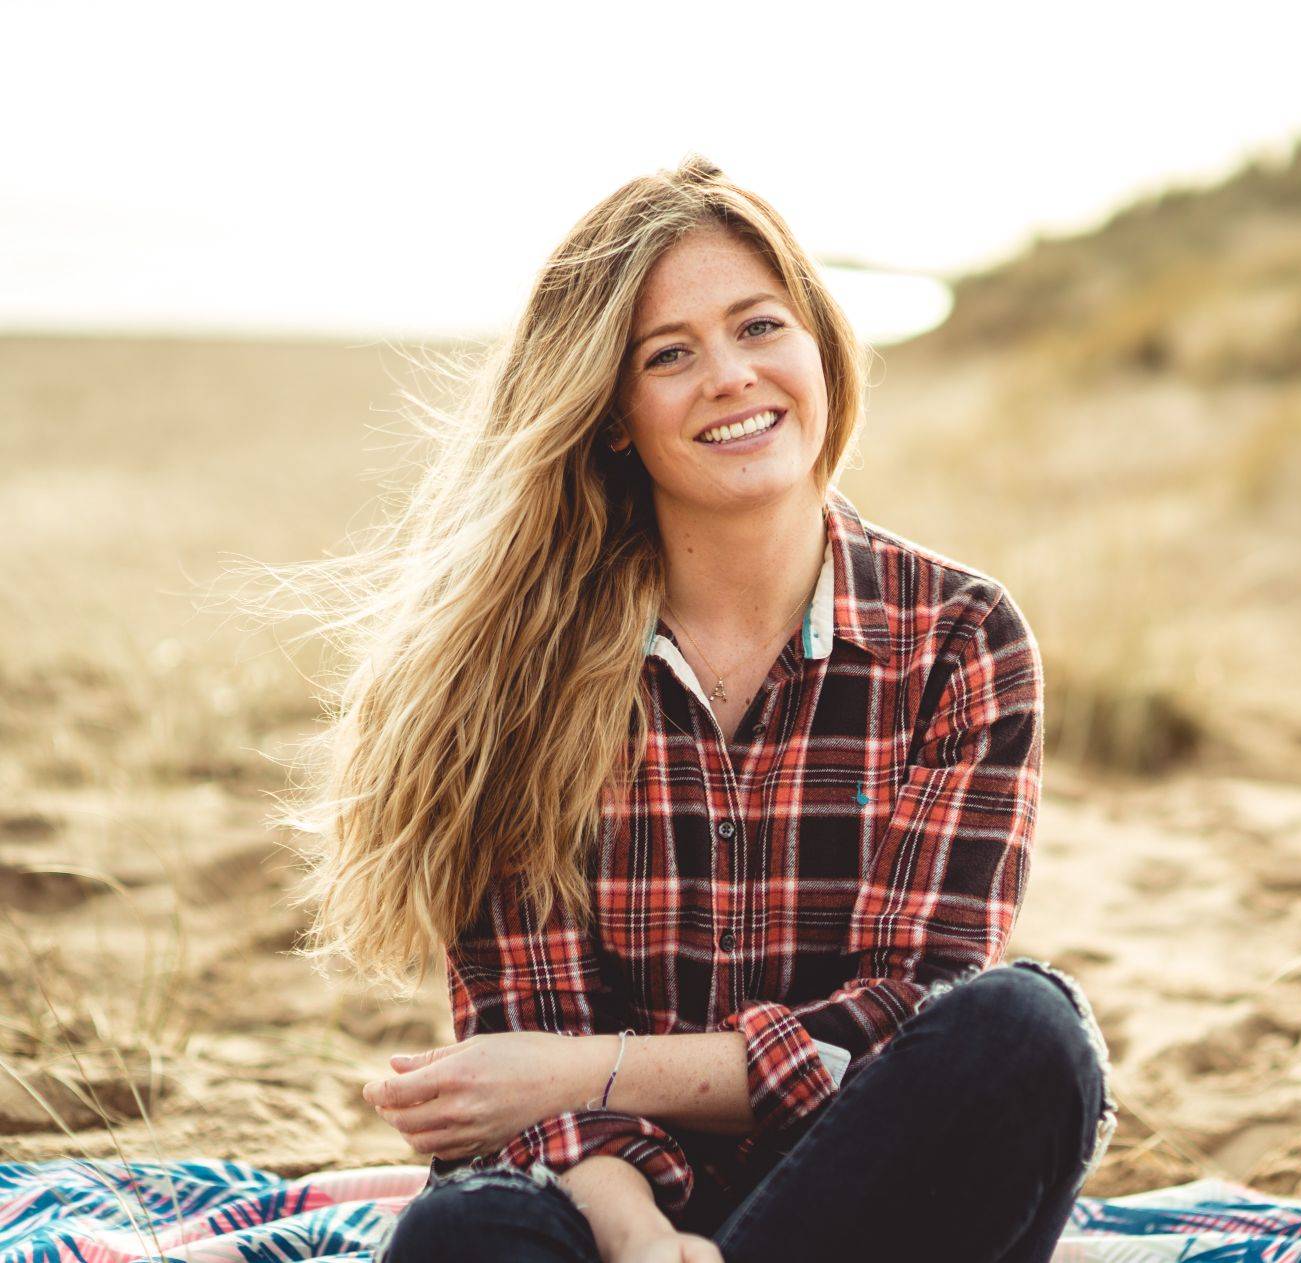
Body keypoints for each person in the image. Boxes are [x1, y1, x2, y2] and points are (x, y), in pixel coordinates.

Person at [275, 156, 1118, 1263]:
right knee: (466, 1232)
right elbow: (526, 1062)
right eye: (669, 355)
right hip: (604, 1202)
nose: (730, 375)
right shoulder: (512, 668)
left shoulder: (959, 639)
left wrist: (586, 1069)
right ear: (614, 416)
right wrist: (639, 1241)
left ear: (820, 348)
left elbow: (900, 1025)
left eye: (760, 327)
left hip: (865, 1197)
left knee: (1025, 1033)